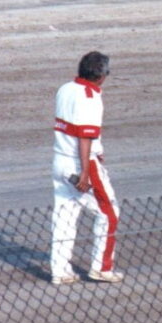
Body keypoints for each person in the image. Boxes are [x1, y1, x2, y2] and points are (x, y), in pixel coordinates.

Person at [50, 51, 123, 285]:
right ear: (101, 76)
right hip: (82, 163)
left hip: (59, 160)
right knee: (109, 213)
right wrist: (84, 172)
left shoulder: (65, 88)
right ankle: (102, 268)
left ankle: (60, 271)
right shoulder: (90, 97)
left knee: (65, 215)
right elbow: (85, 137)